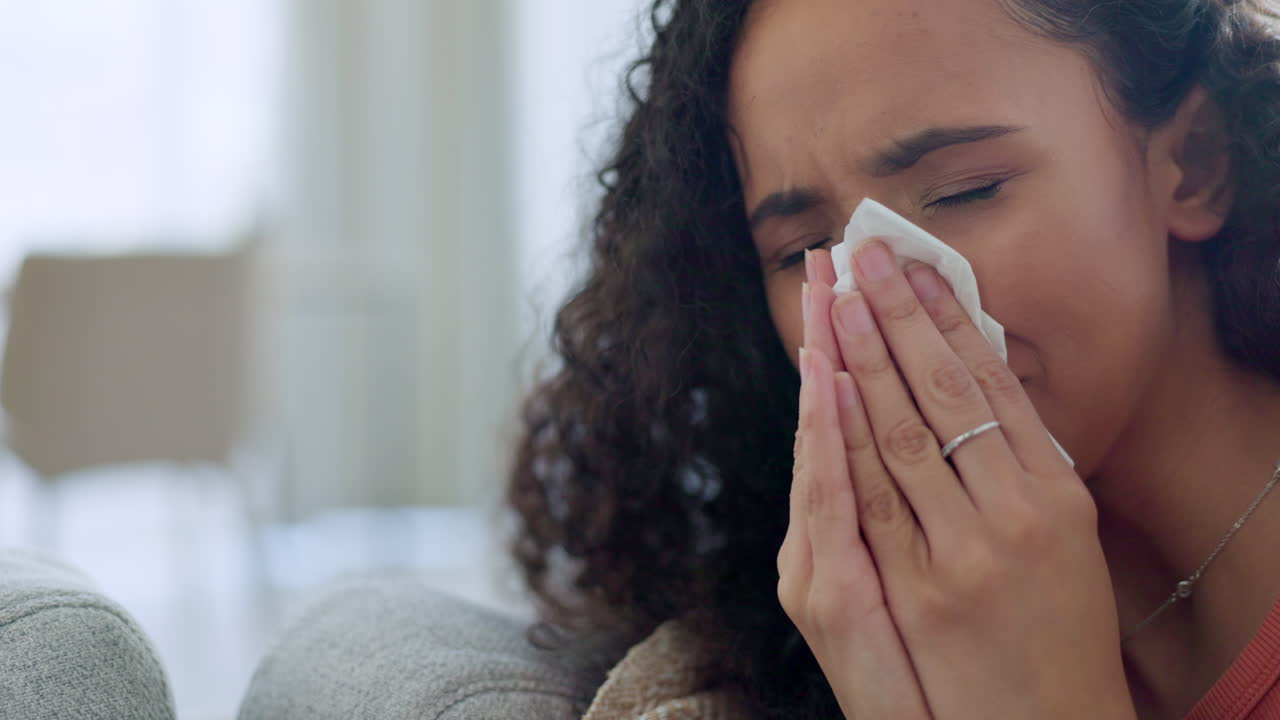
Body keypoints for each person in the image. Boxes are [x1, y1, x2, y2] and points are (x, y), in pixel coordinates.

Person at [505, 0, 1280, 717]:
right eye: (803, 249)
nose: (878, 299)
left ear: (1198, 162)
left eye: (963, 191)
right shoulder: (803, 646)